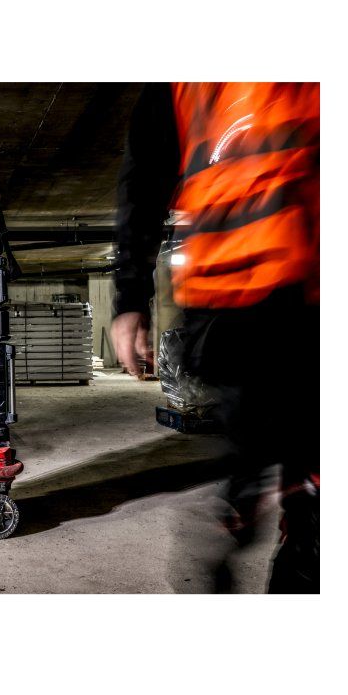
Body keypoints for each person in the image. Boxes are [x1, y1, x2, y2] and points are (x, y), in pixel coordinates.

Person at [111, 82, 319, 593]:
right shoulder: (177, 86)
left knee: (271, 450)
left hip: (235, 302)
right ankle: (274, 516)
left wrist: (131, 298)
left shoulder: (183, 86)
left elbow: (142, 187)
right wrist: (130, 298)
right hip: (270, 296)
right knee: (288, 454)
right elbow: (145, 182)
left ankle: (257, 511)